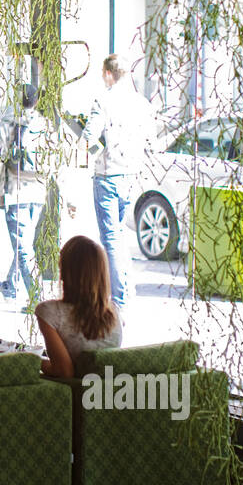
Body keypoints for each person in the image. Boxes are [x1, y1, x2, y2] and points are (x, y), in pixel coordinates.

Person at [80, 54, 156, 312]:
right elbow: (151, 141)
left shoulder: (104, 100)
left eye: (103, 73)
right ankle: (125, 288)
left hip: (108, 175)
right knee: (120, 235)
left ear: (109, 74)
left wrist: (87, 146)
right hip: (130, 176)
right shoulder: (141, 104)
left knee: (110, 237)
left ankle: (118, 298)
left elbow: (89, 139)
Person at [0, 84, 57, 301]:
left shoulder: (7, 124)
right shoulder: (45, 125)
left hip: (15, 192)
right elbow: (56, 160)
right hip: (38, 192)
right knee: (24, 244)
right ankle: (11, 286)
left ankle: (38, 298)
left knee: (22, 248)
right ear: (36, 101)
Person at [35, 235, 122, 378]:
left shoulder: (49, 313)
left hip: (74, 397)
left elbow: (64, 372)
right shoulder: (115, 313)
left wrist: (31, 360)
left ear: (66, 272)